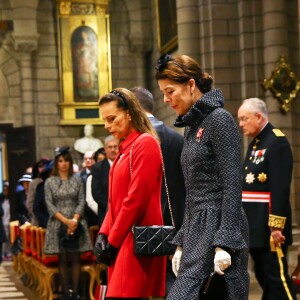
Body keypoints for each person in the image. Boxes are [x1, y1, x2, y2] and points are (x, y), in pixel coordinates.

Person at [155, 53, 249, 299]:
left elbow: (232, 185)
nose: (166, 99)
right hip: (197, 229)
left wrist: (225, 242)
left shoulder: (219, 119)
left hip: (220, 226)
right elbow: (192, 193)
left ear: (191, 85)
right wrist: (181, 241)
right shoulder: (192, 125)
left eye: (170, 91)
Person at [94, 88, 166, 299]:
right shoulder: (126, 148)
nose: (107, 126)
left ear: (129, 113)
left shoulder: (145, 143)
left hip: (134, 238)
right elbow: (113, 201)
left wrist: (112, 241)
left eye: (111, 118)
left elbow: (136, 200)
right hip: (122, 238)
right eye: (104, 120)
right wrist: (103, 233)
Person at [237, 97, 297, 300]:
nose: (241, 124)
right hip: (254, 223)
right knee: (263, 275)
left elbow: (280, 187)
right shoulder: (256, 143)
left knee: (277, 277)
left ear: (259, 117)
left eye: (244, 119)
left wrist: (276, 224)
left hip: (269, 225)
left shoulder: (276, 141)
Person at [130, 86, 186, 295]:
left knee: (144, 286)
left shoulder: (136, 140)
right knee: (173, 282)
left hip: (143, 225)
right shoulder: (177, 139)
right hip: (175, 223)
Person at [44, 146, 92, 300]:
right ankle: (65, 293)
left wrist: (74, 220)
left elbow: (81, 201)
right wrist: (65, 221)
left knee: (76, 257)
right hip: (58, 222)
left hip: (76, 222)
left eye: (66, 161)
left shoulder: (77, 180)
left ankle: (76, 293)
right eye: (60, 161)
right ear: (56, 164)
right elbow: (49, 204)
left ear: (70, 163)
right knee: (63, 258)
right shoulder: (50, 182)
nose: (63, 164)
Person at [91, 135, 118, 227]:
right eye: (110, 147)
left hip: (125, 212)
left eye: (115, 147)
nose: (113, 150)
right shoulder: (97, 167)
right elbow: (96, 192)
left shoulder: (127, 164)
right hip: (105, 213)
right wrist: (112, 208)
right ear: (105, 149)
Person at [27, 158, 51, 226]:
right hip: (38, 220)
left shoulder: (54, 180)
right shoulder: (34, 183)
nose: (43, 168)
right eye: (40, 166)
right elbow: (30, 203)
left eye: (45, 165)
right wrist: (39, 215)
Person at [77, 150, 98, 227]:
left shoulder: (100, 172)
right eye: (86, 159)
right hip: (85, 213)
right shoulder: (78, 176)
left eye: (90, 158)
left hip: (98, 210)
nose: (88, 160)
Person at [0, 181, 11, 259]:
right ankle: (3, 253)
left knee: (10, 238)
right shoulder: (1, 198)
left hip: (9, 220)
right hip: (3, 221)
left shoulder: (11, 199)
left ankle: (8, 252)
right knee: (4, 238)